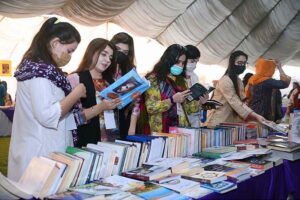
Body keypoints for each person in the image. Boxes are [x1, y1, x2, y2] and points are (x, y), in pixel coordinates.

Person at [8, 17, 86, 182]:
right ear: (55, 43)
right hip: (38, 154)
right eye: (70, 50)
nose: (70, 56)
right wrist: (75, 94)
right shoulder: (39, 74)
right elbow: (47, 115)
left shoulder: (47, 72)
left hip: (46, 150)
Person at [68, 38, 121, 146]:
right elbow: (71, 119)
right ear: (91, 52)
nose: (107, 60)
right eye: (103, 54)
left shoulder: (110, 82)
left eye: (110, 58)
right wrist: (100, 107)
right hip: (86, 142)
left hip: (111, 140)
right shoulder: (75, 79)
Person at [144, 44, 207, 133]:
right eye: (177, 62)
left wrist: (200, 103)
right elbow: (150, 107)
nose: (180, 66)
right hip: (161, 131)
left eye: (183, 63)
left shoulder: (181, 80)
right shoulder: (154, 79)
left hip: (180, 131)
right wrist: (172, 100)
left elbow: (187, 108)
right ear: (168, 60)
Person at [206, 50, 266, 127]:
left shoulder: (238, 80)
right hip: (218, 121)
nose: (242, 66)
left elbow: (242, 102)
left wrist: (254, 116)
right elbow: (236, 102)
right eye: (240, 63)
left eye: (244, 63)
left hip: (229, 122)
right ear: (232, 63)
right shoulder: (225, 80)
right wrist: (255, 116)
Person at [110, 32, 140, 138]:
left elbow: (136, 100)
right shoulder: (104, 66)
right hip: (104, 116)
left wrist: (132, 126)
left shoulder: (130, 70)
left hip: (123, 116)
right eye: (117, 49)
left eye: (125, 52)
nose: (120, 54)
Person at [184, 45, 208, 127]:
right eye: (192, 61)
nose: (194, 64)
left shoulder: (194, 76)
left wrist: (203, 101)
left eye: (196, 61)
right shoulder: (176, 76)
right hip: (182, 118)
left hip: (195, 117)